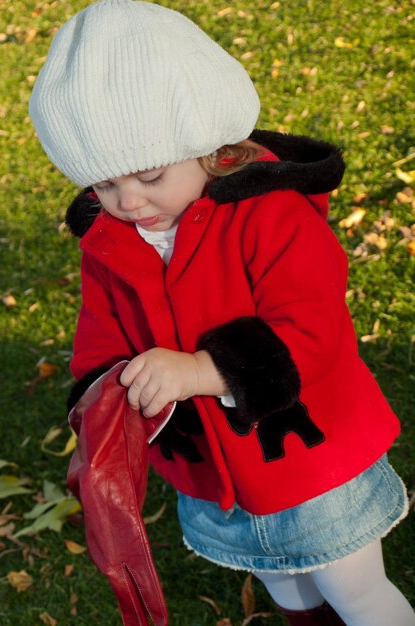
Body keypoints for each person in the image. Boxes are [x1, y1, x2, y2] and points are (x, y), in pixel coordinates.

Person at [29, 1, 415, 624]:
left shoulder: (269, 214)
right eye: (102, 185)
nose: (128, 201)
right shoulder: (111, 241)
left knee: (355, 588)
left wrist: (197, 372)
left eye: (150, 174)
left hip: (311, 460)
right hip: (214, 474)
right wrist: (98, 419)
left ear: (209, 143)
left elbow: (312, 331)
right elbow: (99, 336)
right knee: (290, 589)